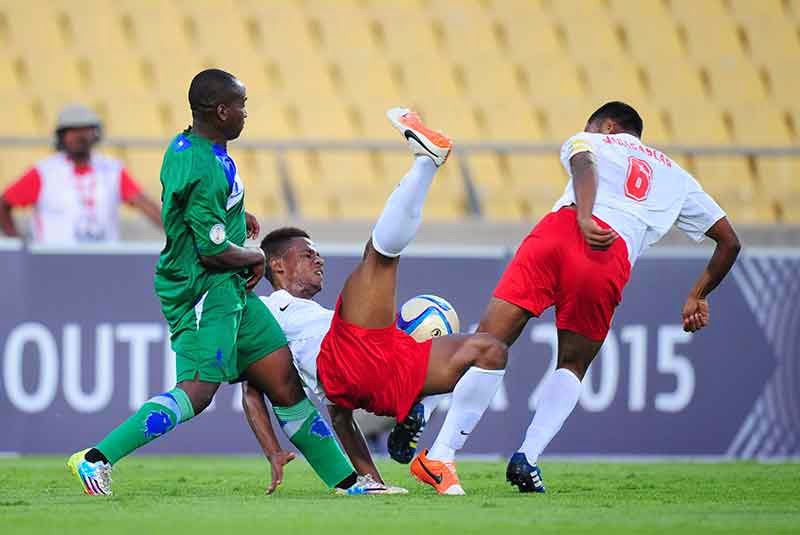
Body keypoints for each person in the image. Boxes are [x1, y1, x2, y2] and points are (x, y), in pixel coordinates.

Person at [66, 69, 386, 497]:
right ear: (221, 111)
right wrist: (256, 256)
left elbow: (196, 209)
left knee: (284, 382)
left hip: (230, 289)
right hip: (202, 289)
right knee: (197, 392)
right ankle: (95, 459)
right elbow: (211, 251)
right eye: (241, 105)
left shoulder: (190, 145)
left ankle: (349, 483)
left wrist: (235, 214)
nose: (245, 113)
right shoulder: (204, 168)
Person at [475, 101, 741, 493]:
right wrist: (697, 295)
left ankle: (436, 440)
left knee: (485, 342)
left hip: (565, 230)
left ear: (609, 126)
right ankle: (527, 458)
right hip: (610, 258)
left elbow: (584, 164)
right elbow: (730, 242)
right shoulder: (677, 176)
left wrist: (585, 215)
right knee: (573, 364)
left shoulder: (591, 141)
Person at [242, 108, 509, 496]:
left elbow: (341, 417)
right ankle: (426, 162)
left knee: (489, 351)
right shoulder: (268, 311)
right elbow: (252, 390)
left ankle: (440, 457)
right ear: (277, 265)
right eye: (307, 254)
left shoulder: (321, 317)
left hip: (378, 370)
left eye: (318, 254)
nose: (319, 260)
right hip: (346, 361)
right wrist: (271, 450)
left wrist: (371, 482)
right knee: (378, 256)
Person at [0, 104, 162, 242]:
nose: (79, 136)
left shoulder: (112, 170)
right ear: (61, 136)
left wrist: (173, 233)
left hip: (104, 261)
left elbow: (143, 203)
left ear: (95, 133)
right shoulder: (44, 172)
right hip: (53, 262)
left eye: (85, 129)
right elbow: (4, 203)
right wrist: (16, 243)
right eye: (72, 130)